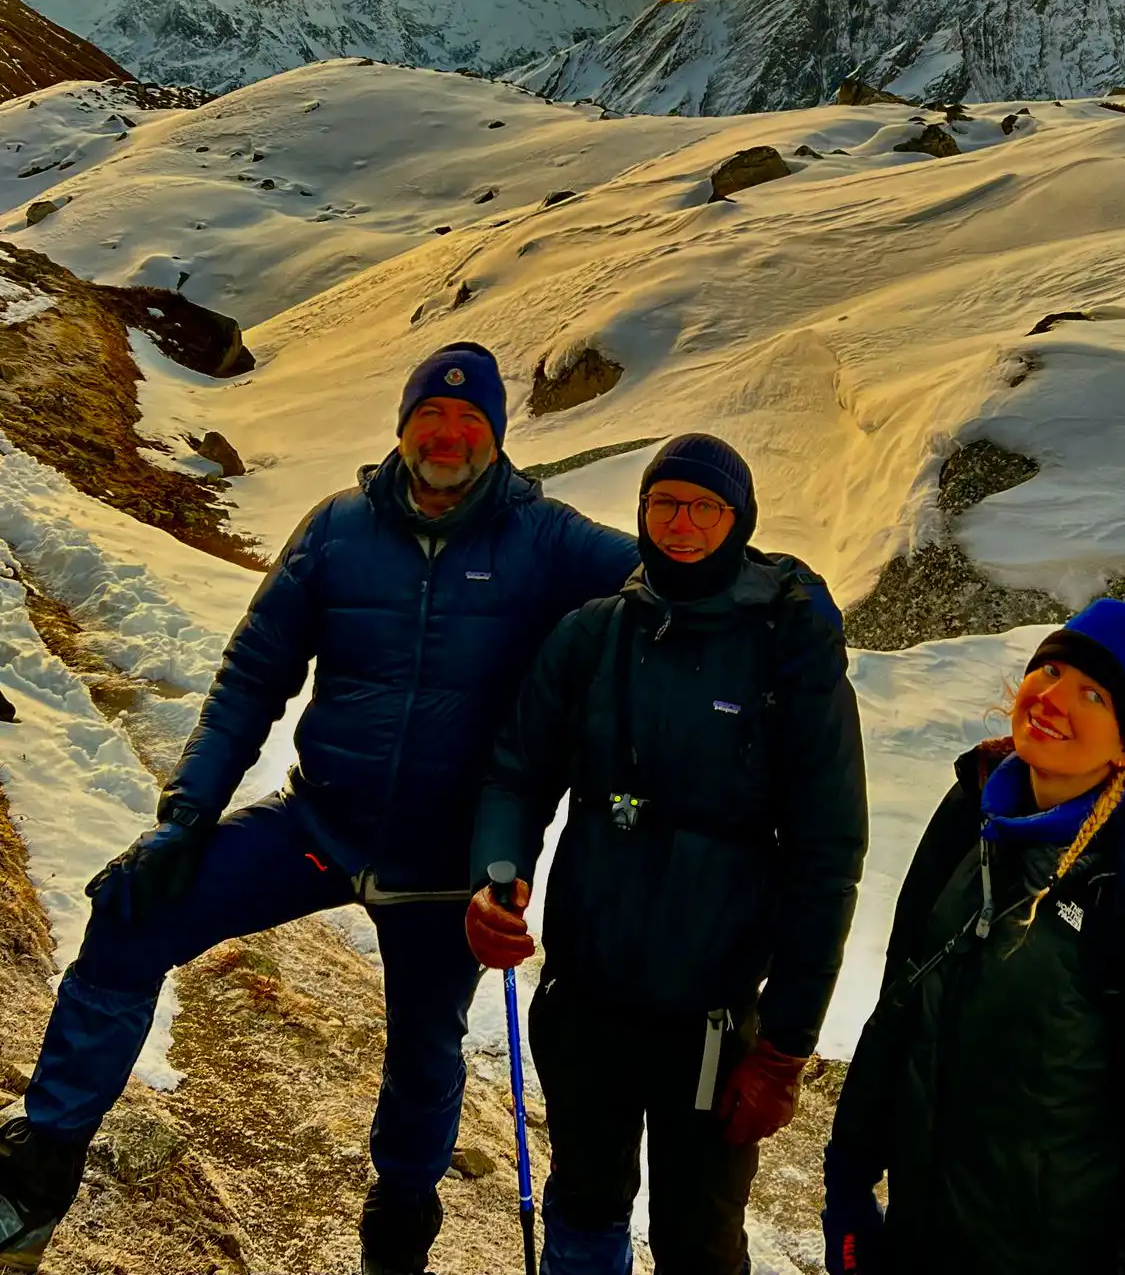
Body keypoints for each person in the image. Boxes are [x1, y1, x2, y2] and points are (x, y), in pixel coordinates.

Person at [0, 343, 638, 1275]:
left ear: (497, 437)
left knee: (424, 1057)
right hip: (318, 825)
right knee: (133, 914)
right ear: (404, 426)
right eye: (432, 415)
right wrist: (185, 819)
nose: (449, 434)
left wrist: (776, 601)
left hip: (443, 865)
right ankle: (37, 1171)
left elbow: (672, 576)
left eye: (471, 421)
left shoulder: (547, 539)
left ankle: (397, 1242)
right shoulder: (337, 529)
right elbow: (252, 681)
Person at [467, 433, 868, 1275]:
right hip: (585, 1004)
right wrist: (499, 875)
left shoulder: (785, 649)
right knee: (583, 1204)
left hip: (714, 1026)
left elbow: (828, 856)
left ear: (738, 518)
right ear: (644, 513)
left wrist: (787, 1045)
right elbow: (518, 771)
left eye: (704, 506)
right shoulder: (593, 635)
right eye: (664, 503)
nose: (682, 522)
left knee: (699, 1237)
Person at [823, 599, 1125, 1275]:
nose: (1052, 698)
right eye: (1048, 670)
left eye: (1094, 694)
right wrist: (846, 1188)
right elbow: (901, 1004)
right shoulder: (979, 818)